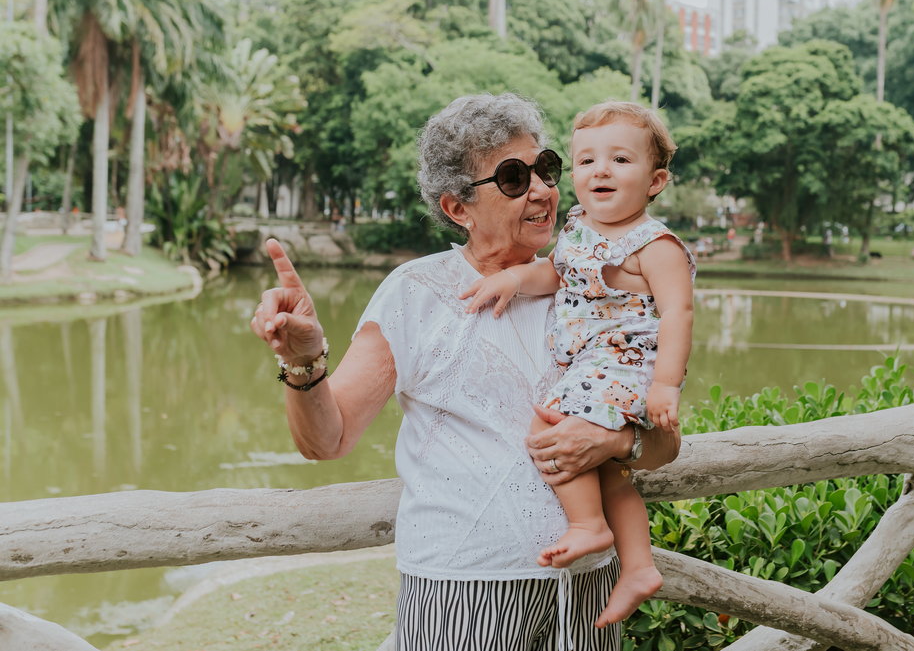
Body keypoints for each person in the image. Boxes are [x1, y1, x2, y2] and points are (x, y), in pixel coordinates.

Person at [249, 93, 681, 650]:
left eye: (545, 168)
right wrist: (303, 359)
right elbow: (326, 440)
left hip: (588, 587)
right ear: (458, 209)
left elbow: (663, 447)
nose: (544, 190)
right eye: (512, 177)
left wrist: (613, 442)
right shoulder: (417, 293)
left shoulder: (597, 287)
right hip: (464, 582)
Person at [462, 101, 695, 627]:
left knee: (546, 426)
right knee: (609, 471)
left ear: (655, 180)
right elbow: (558, 274)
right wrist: (515, 280)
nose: (601, 171)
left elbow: (678, 314)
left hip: (622, 364)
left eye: (619, 160)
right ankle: (638, 567)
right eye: (586, 161)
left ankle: (588, 526)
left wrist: (665, 386)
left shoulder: (654, 245)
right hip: (590, 366)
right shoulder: (579, 228)